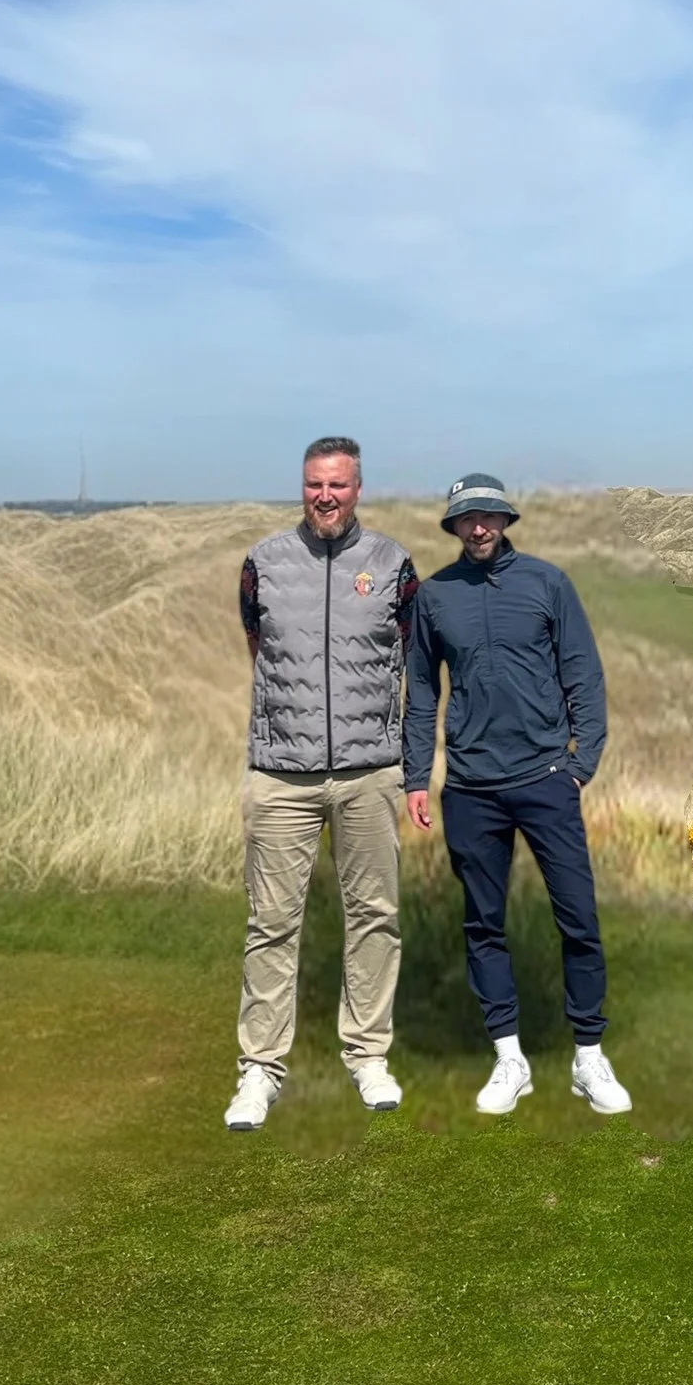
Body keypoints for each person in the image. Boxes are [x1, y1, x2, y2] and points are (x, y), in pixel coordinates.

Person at [404, 472, 631, 1117]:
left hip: (545, 780)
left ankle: (589, 1056)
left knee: (579, 919)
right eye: (466, 519)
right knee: (483, 924)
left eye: (489, 517)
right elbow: (421, 694)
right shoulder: (435, 596)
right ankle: (510, 1059)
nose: (479, 528)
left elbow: (582, 673)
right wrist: (417, 777)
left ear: (505, 521)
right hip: (471, 788)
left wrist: (580, 762)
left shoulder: (547, 583)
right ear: (453, 527)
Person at [224, 437, 418, 1131]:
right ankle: (259, 1070)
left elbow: (407, 656)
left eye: (337, 484)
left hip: (369, 771)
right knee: (272, 923)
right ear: (302, 487)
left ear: (358, 488)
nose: (325, 496)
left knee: (376, 916)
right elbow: (258, 645)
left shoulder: (392, 564)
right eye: (314, 485)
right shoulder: (265, 564)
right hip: (281, 776)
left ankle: (367, 1055)